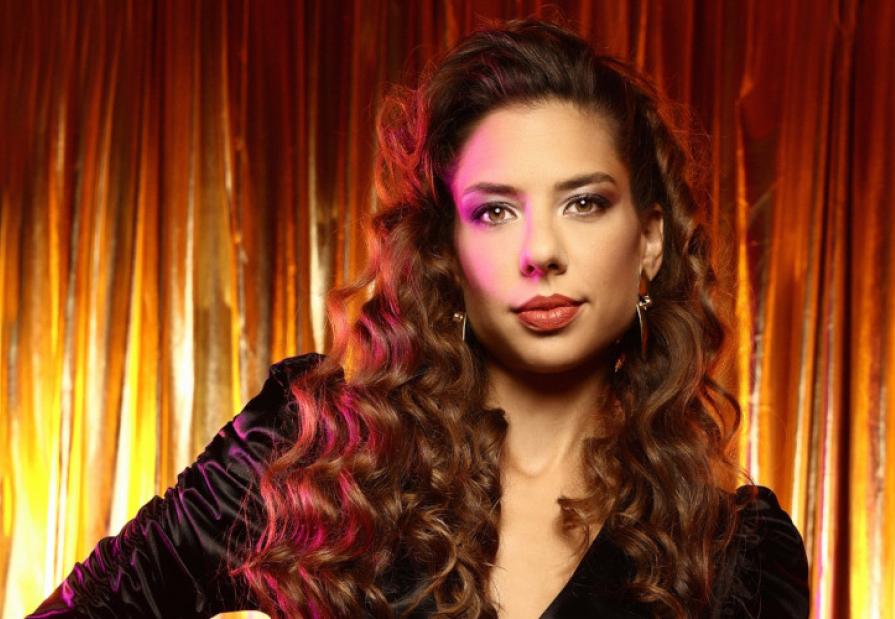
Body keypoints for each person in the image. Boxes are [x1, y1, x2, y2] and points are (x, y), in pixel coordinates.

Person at [30, 18, 809, 619]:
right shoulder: (312, 451)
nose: (541, 250)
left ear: (650, 240)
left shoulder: (738, 555)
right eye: (496, 210)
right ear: (446, 251)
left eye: (583, 202)